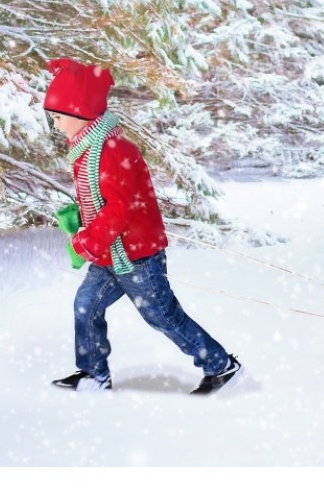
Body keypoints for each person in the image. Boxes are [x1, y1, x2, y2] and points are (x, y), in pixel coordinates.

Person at [43, 58, 241, 395]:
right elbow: (103, 201)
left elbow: (119, 210)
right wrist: (81, 218)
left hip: (136, 254)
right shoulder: (88, 150)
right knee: (86, 304)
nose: (57, 125)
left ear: (79, 114)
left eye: (58, 117)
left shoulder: (114, 151)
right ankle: (93, 374)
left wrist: (85, 241)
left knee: (162, 316)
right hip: (111, 254)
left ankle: (221, 365)